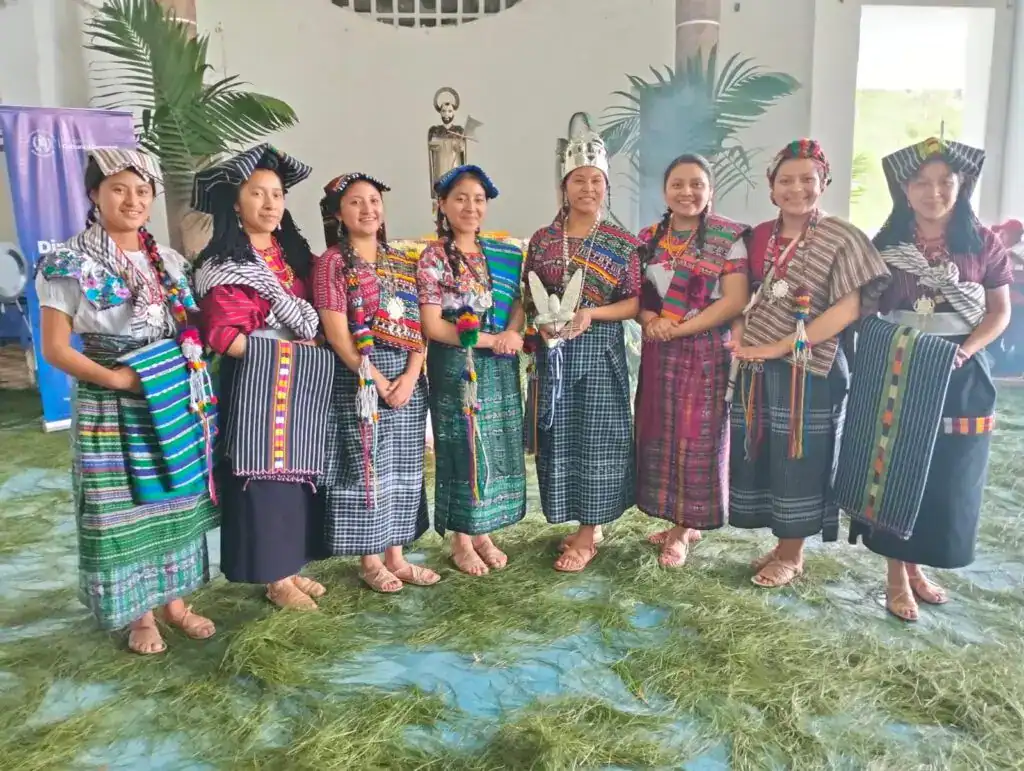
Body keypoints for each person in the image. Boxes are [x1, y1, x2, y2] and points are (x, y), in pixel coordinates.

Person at [36, 149, 217, 654]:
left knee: (176, 495)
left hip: (170, 388)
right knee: (125, 505)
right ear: (94, 194)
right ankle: (140, 614)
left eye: (142, 191)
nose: (132, 200)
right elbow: (54, 348)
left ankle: (175, 602)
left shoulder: (172, 262)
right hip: (108, 397)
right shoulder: (67, 260)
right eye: (119, 188)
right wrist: (117, 381)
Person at [845, 138, 1012, 621]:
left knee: (948, 471)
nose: (933, 191)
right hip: (899, 369)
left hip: (961, 369)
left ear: (961, 186)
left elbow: (998, 312)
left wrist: (964, 351)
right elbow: (866, 308)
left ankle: (920, 566)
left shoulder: (981, 242)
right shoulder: (887, 245)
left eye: (944, 181)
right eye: (921, 181)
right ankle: (896, 574)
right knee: (897, 467)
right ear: (905, 188)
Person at [728, 139, 889, 588]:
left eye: (807, 179)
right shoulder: (758, 236)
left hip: (810, 368)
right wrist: (742, 336)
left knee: (801, 456)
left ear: (824, 182)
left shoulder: (842, 237)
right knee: (764, 452)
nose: (796, 188)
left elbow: (849, 308)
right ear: (771, 187)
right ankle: (782, 543)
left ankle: (792, 554)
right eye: (786, 180)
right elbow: (743, 297)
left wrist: (782, 345)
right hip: (758, 367)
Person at [193, 144, 334, 610]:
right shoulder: (223, 262)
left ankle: (291, 564)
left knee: (298, 475)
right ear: (237, 202)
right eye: (258, 194)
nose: (271, 204)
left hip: (301, 379)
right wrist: (284, 351)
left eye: (277, 194)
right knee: (263, 477)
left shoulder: (292, 255)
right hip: (257, 379)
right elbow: (222, 334)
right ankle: (272, 576)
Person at [523, 113, 642, 572]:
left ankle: (590, 534)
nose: (587, 189)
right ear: (564, 187)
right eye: (578, 180)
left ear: (606, 186)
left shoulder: (621, 242)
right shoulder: (544, 239)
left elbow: (634, 303)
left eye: (596, 180)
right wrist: (542, 324)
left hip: (600, 354)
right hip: (554, 357)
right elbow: (527, 297)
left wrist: (592, 313)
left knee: (597, 442)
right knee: (561, 441)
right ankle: (579, 522)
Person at [313, 172, 438, 593]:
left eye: (373, 200)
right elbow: (337, 334)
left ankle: (397, 556)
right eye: (355, 202)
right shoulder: (332, 262)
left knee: (404, 464)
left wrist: (409, 375)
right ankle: (370, 560)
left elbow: (421, 324)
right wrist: (379, 380)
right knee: (368, 466)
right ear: (337, 213)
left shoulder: (403, 258)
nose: (368, 209)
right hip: (360, 377)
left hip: (407, 375)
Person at [634, 154, 750, 567]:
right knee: (662, 435)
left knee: (696, 437)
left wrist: (677, 328)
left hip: (705, 352)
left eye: (697, 184)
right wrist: (650, 321)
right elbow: (642, 297)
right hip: (660, 351)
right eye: (678, 184)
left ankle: (684, 530)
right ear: (665, 191)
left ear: (710, 190)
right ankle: (675, 518)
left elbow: (736, 299)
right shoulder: (649, 238)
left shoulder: (727, 237)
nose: (688, 192)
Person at [417, 164, 527, 575]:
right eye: (460, 198)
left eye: (478, 199)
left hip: (498, 365)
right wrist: (490, 340)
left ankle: (483, 530)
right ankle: (462, 539)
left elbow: (518, 303)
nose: (470, 206)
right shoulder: (433, 257)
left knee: (492, 444)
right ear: (443, 205)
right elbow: (432, 325)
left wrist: (513, 333)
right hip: (456, 366)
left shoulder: (505, 254)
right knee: (460, 446)